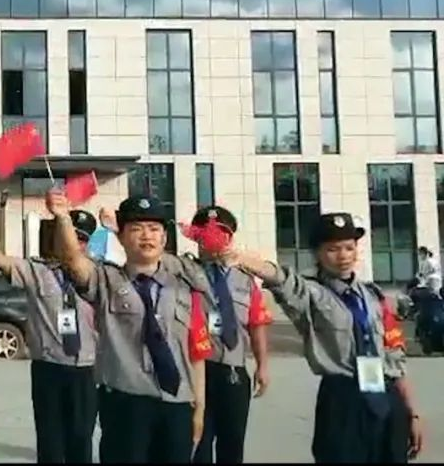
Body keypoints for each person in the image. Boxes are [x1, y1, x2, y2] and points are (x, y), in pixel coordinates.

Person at [232, 212, 424, 463]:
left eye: (349, 247)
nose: (343, 256)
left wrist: (411, 413)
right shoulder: (311, 294)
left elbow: (394, 358)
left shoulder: (373, 296)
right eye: (333, 249)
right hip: (343, 401)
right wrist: (240, 258)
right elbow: (280, 279)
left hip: (387, 397)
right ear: (317, 254)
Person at [55, 194, 212, 464]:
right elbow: (72, 261)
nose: (146, 236)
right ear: (121, 237)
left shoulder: (184, 284)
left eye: (154, 229)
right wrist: (62, 218)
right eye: (136, 229)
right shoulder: (106, 279)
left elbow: (195, 350)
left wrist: (199, 406)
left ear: (164, 238)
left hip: (176, 404)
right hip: (125, 404)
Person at [0, 206, 99, 463]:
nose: (73, 243)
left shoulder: (98, 275)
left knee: (81, 442)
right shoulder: (38, 272)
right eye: (68, 236)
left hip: (86, 369)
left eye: (81, 239)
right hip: (49, 369)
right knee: (50, 443)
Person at [185, 206, 272, 465]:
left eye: (220, 234)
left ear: (230, 238)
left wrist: (262, 365)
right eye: (205, 234)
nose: (212, 240)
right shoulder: (185, 273)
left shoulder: (244, 279)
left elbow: (256, 323)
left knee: (232, 445)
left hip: (232, 370)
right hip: (195, 370)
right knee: (197, 444)